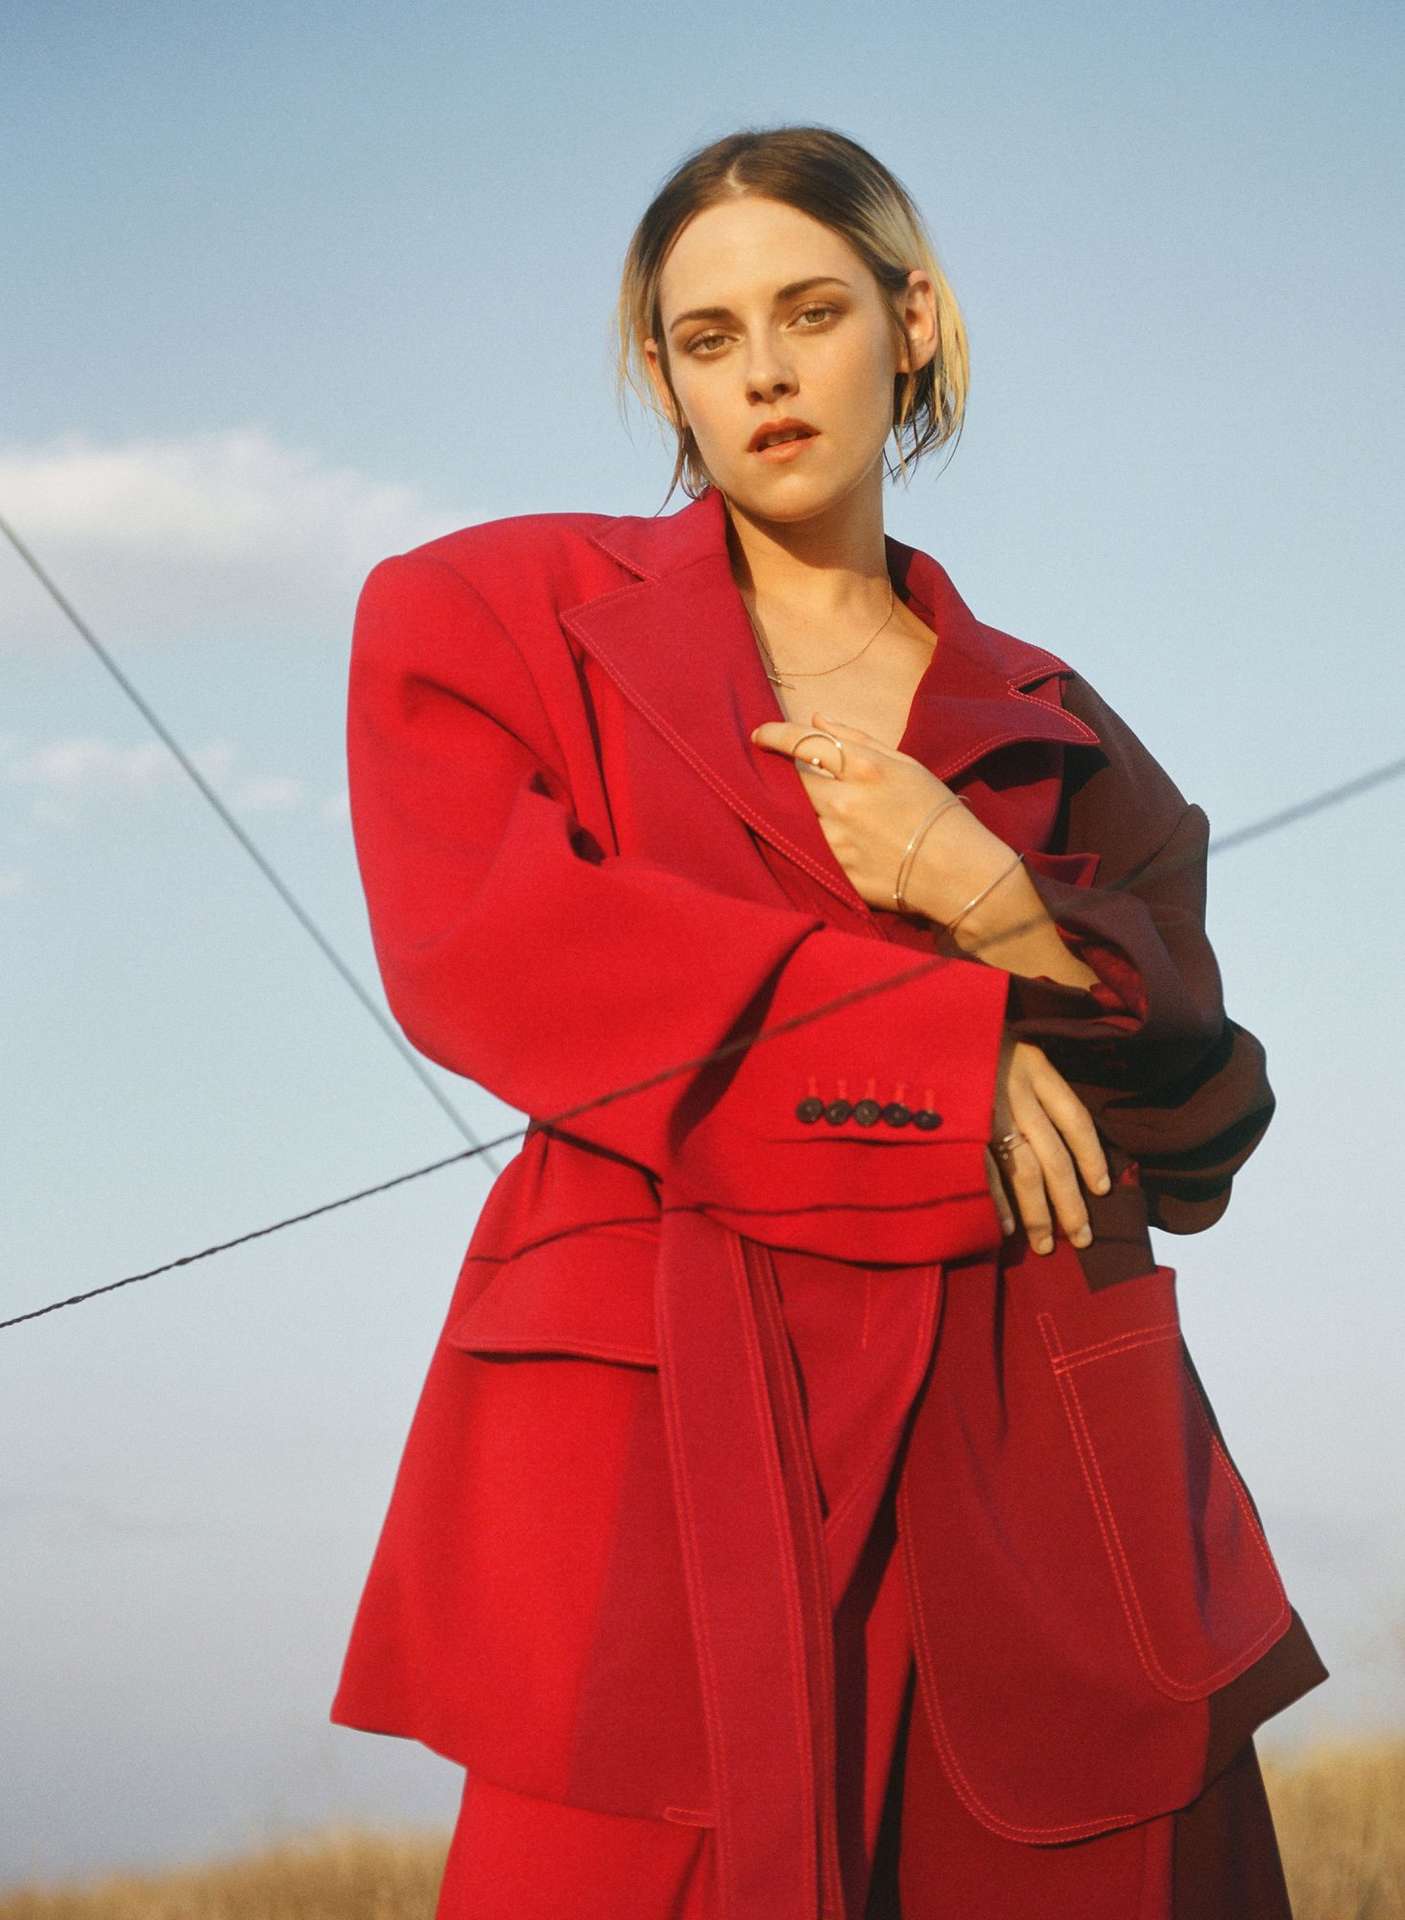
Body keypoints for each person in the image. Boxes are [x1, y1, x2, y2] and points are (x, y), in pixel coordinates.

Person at [329, 124, 1328, 1918]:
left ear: (910, 320)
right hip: (662, 1437)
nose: (766, 374)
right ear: (662, 377)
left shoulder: (1056, 718)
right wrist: (938, 1049)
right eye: (707, 338)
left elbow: (1197, 1128)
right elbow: (490, 949)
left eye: (811, 311)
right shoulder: (492, 615)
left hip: (1028, 1450)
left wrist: (992, 902)